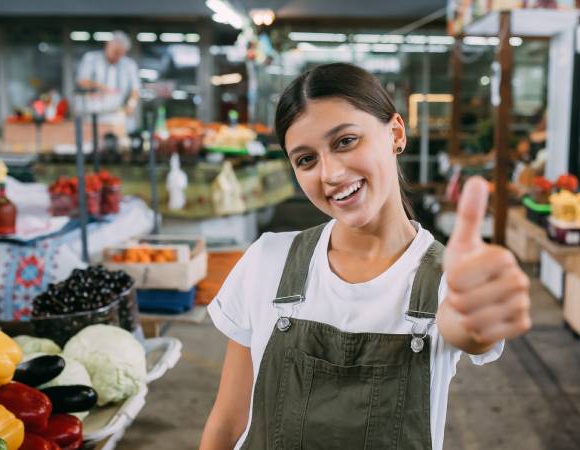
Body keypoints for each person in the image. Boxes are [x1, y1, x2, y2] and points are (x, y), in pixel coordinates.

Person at [200, 63, 532, 450]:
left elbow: (466, 329)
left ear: (395, 133)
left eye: (345, 141)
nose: (331, 173)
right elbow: (227, 422)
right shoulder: (267, 261)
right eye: (306, 160)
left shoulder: (448, 278)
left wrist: (477, 317)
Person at [76, 30, 141, 131]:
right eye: (115, 52)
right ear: (107, 46)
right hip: (93, 115)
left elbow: (136, 90)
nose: (116, 56)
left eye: (120, 53)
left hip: (117, 115)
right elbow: (82, 81)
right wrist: (101, 87)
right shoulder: (91, 59)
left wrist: (131, 104)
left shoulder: (129, 65)